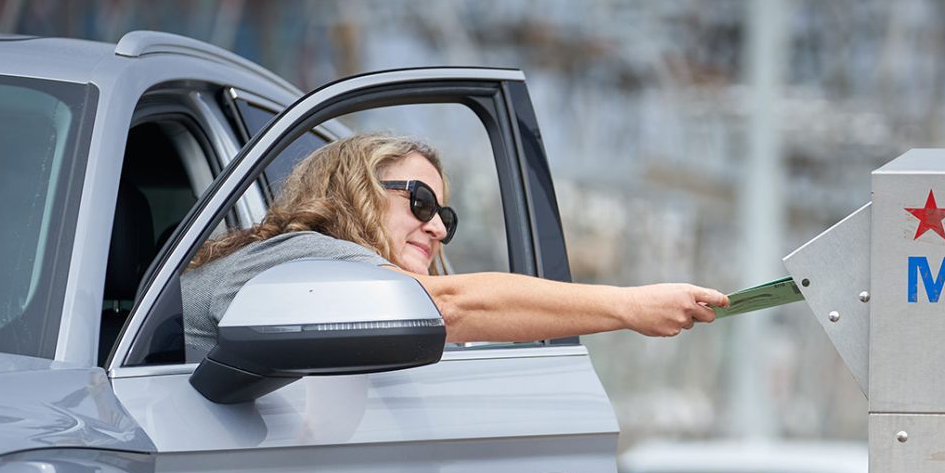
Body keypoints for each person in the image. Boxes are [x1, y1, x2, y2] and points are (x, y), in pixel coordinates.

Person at [183, 132, 728, 359]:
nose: (438, 228)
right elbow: (450, 305)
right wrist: (629, 307)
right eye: (419, 201)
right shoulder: (304, 254)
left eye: (444, 214)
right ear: (349, 191)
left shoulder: (335, 281)